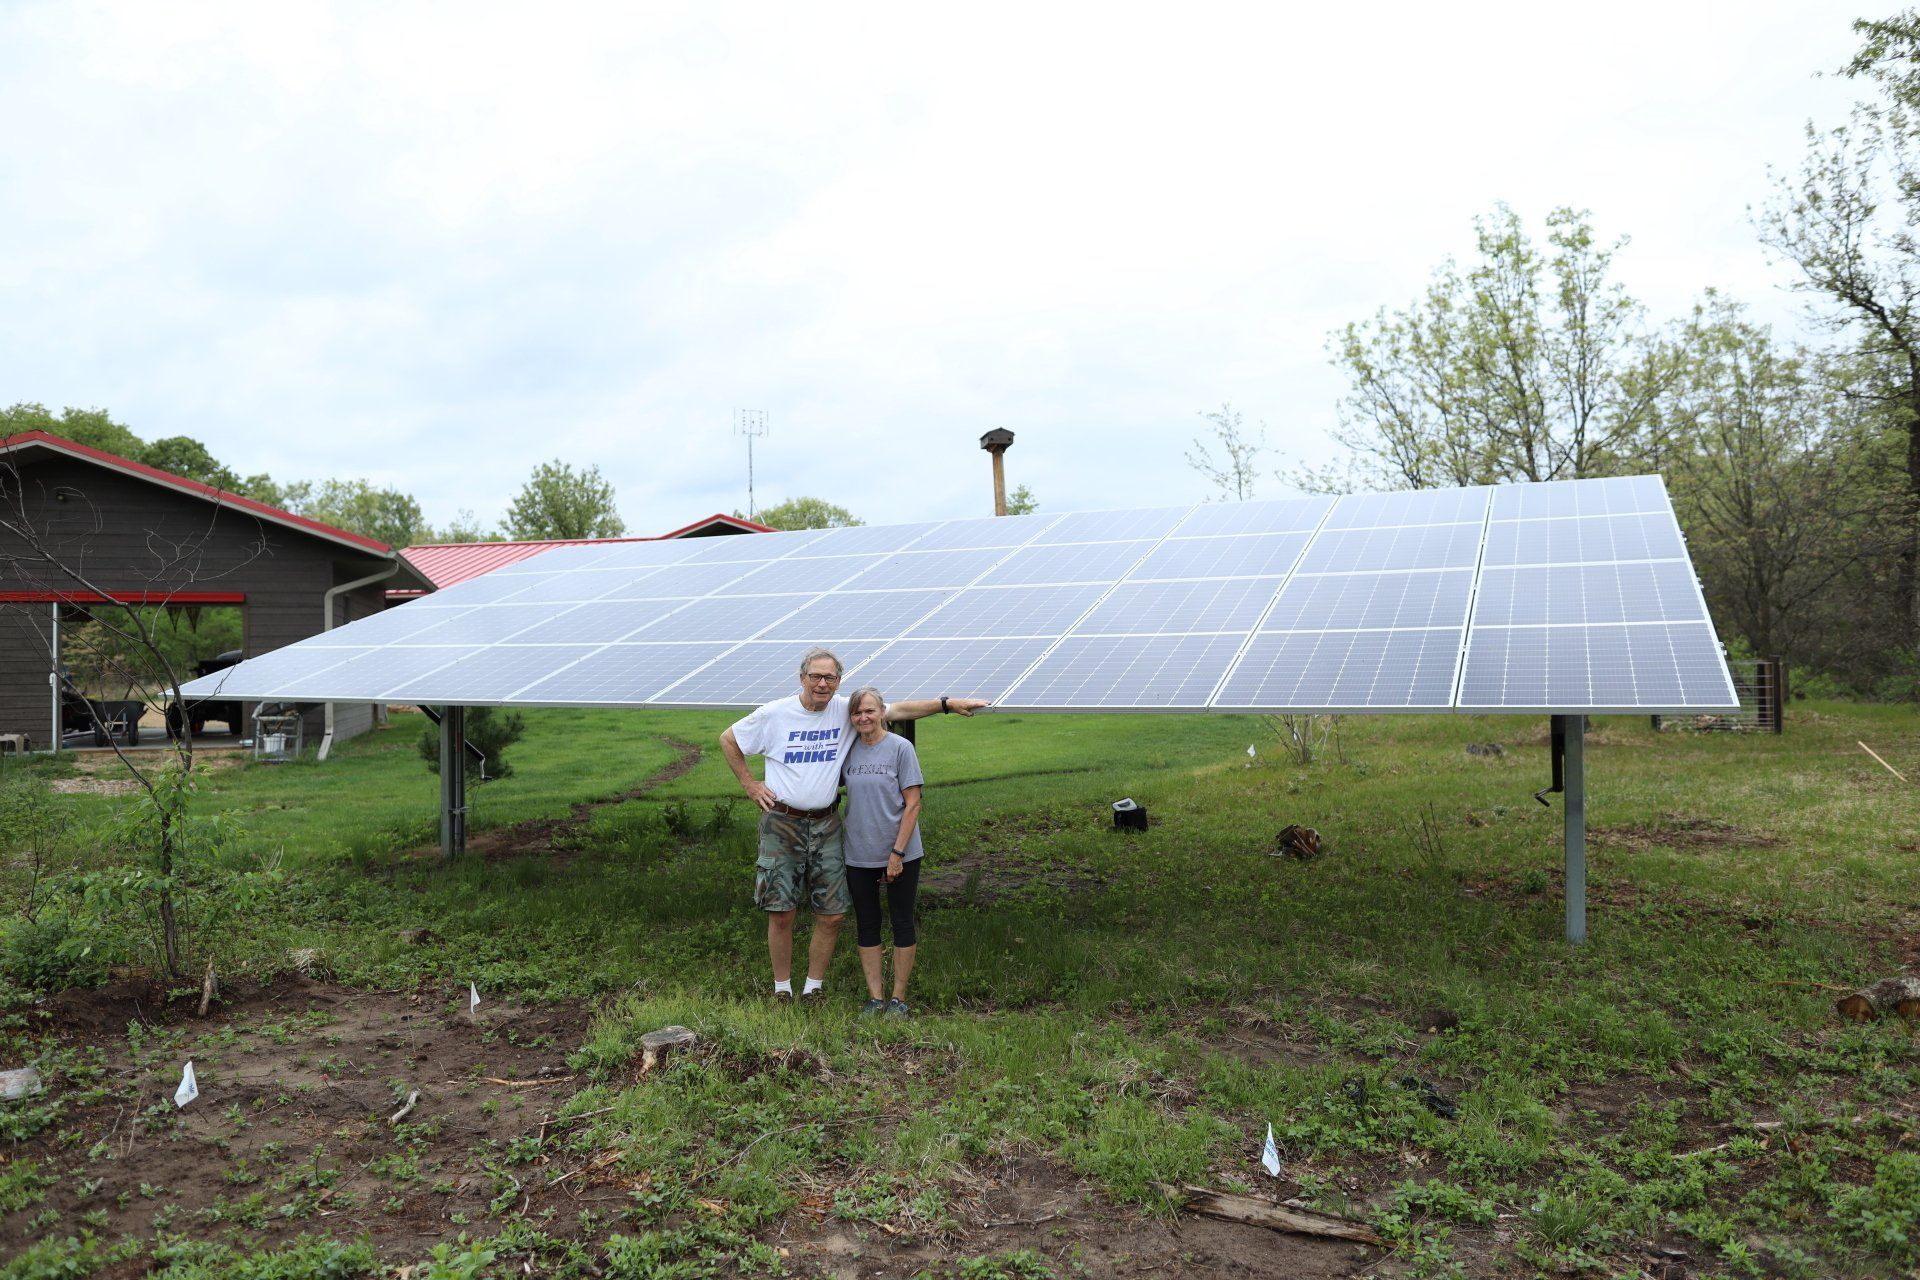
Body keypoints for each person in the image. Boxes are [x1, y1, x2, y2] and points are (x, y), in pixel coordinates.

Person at [719, 648, 985, 1003]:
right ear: (802, 678)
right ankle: (782, 988)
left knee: (832, 912)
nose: (822, 683)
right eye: (815, 676)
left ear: (839, 681)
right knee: (781, 909)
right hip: (782, 822)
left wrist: (947, 703)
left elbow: (901, 709)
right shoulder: (775, 714)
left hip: (827, 823)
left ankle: (814, 987)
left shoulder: (845, 711)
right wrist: (750, 785)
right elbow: (728, 739)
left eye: (830, 677)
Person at [841, 686, 927, 1017]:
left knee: (902, 920)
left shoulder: (900, 749)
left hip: (901, 852)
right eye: (857, 712)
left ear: (882, 713)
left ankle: (898, 998)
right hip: (858, 853)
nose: (863, 717)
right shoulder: (848, 751)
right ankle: (875, 997)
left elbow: (913, 803)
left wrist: (897, 853)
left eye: (869, 711)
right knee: (867, 923)